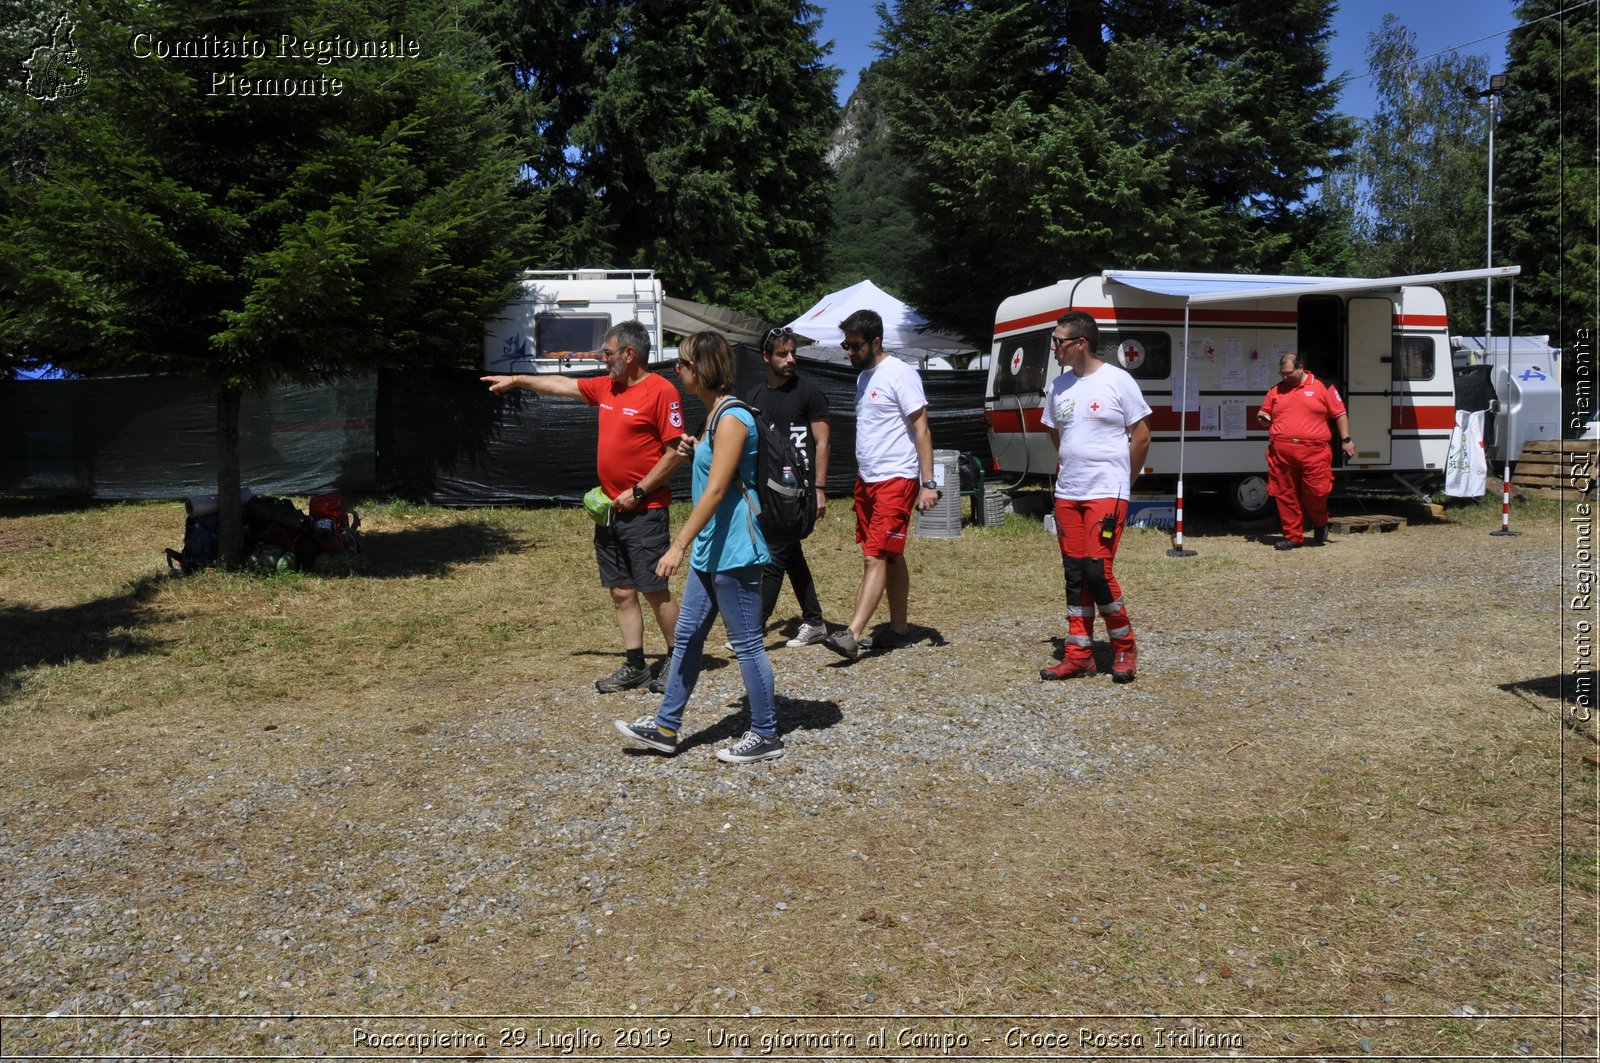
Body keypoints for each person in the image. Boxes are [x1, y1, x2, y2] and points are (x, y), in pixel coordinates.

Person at [482, 320, 685, 694]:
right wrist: (518, 381)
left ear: (629, 353)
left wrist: (639, 492)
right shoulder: (608, 386)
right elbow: (562, 385)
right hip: (609, 511)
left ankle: (678, 658)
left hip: (645, 510)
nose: (601, 358)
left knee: (654, 589)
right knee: (621, 590)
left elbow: (675, 453)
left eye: (607, 353)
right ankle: (636, 664)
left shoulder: (661, 391)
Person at [614, 331, 784, 764]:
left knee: (746, 643)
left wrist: (677, 546)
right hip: (714, 549)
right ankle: (666, 727)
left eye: (685, 363)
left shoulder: (731, 418)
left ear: (703, 368)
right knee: (687, 638)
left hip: (736, 548)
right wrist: (695, 450)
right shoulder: (712, 417)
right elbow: (716, 473)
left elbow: (715, 492)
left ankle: (765, 734)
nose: (678, 370)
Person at [821, 309, 940, 662]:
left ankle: (852, 634)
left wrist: (928, 482)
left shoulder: (900, 374)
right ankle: (900, 629)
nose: (849, 352)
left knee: (876, 556)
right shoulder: (863, 378)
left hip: (896, 479)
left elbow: (922, 429)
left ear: (876, 341)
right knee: (891, 553)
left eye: (855, 346)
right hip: (868, 481)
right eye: (846, 345)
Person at [1039, 311, 1151, 684]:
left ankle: (1124, 647)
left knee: (1097, 570)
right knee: (1075, 574)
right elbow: (1057, 435)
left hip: (1108, 492)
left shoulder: (1118, 381)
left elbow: (1142, 436)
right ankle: (1079, 655)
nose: (1053, 347)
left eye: (1058, 341)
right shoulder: (1058, 387)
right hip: (1069, 492)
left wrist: (1125, 478)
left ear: (1080, 344)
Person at [743, 325, 832, 647]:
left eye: (793, 352)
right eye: (783, 354)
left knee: (777, 554)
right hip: (765, 491)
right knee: (790, 552)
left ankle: (753, 628)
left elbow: (822, 443)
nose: (791, 359)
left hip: (798, 491)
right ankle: (815, 620)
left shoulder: (808, 393)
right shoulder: (753, 396)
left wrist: (820, 488)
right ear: (766, 357)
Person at [1256, 351, 1357, 550]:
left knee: (1316, 493)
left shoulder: (1322, 386)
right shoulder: (1275, 391)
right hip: (1282, 453)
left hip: (1315, 453)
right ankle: (1293, 537)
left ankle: (1320, 523)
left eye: (1288, 373)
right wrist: (1263, 418)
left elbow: (1340, 414)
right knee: (1285, 494)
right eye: (1281, 373)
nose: (1284, 377)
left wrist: (1346, 440)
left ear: (1300, 368)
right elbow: (1264, 413)